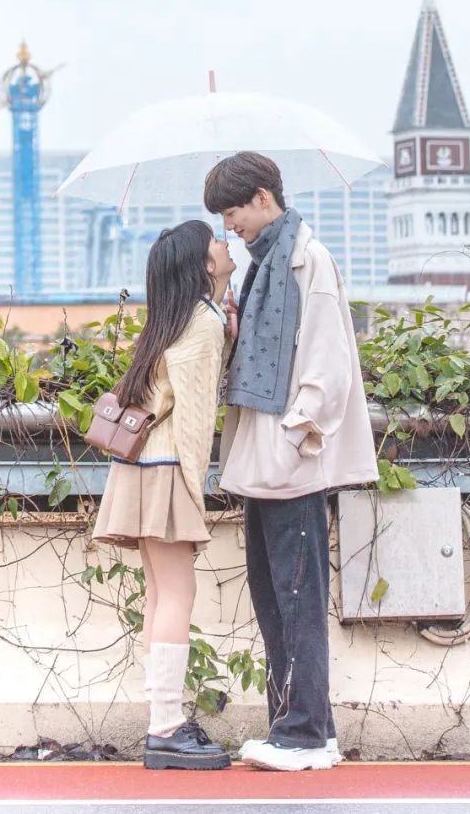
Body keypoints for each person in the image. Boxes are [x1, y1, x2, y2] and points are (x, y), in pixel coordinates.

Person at [203, 152, 377, 772]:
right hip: (266, 459)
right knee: (274, 593)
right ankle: (306, 728)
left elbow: (329, 362)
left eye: (234, 213)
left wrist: (295, 437)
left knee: (297, 596)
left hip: (290, 459)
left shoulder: (307, 259)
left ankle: (301, 733)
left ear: (262, 197)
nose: (230, 227)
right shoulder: (265, 265)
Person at [92, 219, 236, 771]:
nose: (225, 243)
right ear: (203, 263)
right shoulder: (202, 322)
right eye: (215, 240)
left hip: (139, 466)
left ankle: (163, 722)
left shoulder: (173, 319)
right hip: (170, 466)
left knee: (159, 595)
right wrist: (197, 490)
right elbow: (195, 417)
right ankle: (167, 728)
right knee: (177, 594)